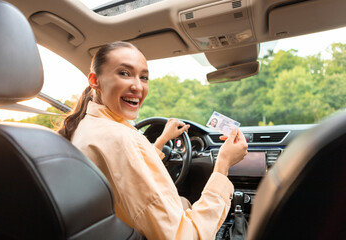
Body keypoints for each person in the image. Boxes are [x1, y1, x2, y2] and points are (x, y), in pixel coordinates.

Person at [58, 41, 248, 239]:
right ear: (94, 80)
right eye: (124, 73)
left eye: (144, 77)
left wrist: (162, 140)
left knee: (182, 201)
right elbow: (183, 236)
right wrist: (223, 167)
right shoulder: (123, 139)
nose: (137, 86)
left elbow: (122, 170)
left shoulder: (85, 126)